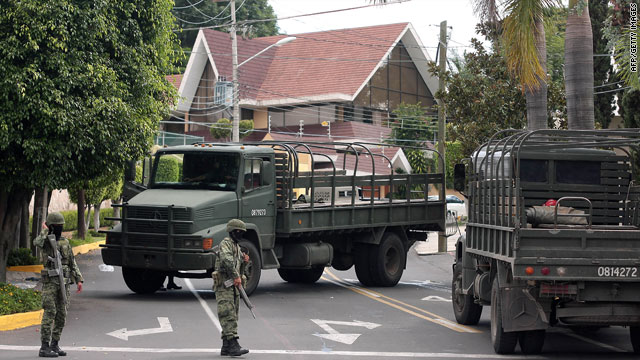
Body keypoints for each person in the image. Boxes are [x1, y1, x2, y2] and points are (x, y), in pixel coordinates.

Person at [34, 212, 83, 358]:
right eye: (57, 226)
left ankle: (55, 344)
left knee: (62, 314)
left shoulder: (65, 242)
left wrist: (79, 279)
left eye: (61, 226)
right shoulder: (46, 241)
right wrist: (45, 230)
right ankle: (44, 347)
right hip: (50, 284)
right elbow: (36, 242)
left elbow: (72, 261)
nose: (60, 228)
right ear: (51, 227)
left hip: (64, 284)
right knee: (50, 312)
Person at [213, 219, 250, 356]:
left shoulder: (236, 246)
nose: (240, 235)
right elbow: (227, 261)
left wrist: (244, 262)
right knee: (228, 314)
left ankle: (226, 346)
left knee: (232, 314)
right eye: (238, 232)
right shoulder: (226, 244)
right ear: (232, 232)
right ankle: (234, 346)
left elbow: (238, 266)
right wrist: (235, 276)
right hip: (225, 286)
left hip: (232, 287)